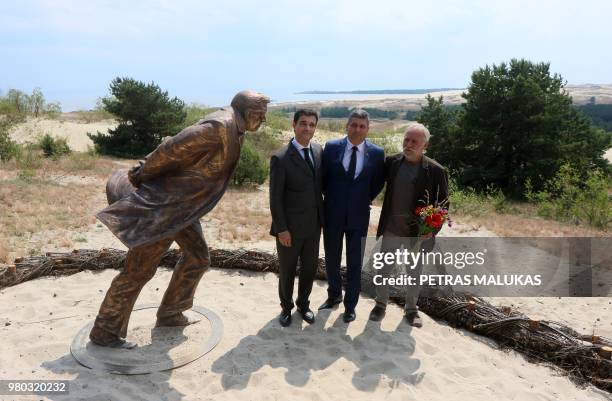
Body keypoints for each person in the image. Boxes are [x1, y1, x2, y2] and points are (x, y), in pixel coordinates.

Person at [89, 90, 270, 347]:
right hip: (160, 207)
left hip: (183, 208)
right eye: (259, 115)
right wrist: (142, 170)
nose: (262, 121)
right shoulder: (219, 126)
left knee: (198, 258)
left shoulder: (236, 129)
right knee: (139, 269)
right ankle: (105, 329)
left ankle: (170, 313)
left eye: (264, 116)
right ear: (246, 111)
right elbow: (172, 148)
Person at [369, 123, 449, 327]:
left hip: (417, 234)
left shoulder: (436, 170)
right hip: (392, 229)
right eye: (407, 139)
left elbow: (443, 204)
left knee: (414, 273)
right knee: (384, 270)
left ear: (425, 145)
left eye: (415, 141)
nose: (409, 144)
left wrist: (431, 231)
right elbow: (374, 183)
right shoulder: (392, 162)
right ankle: (380, 305)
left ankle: (411, 310)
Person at [319, 109, 385, 323]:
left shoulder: (377, 153)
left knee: (355, 262)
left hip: (359, 216)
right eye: (354, 125)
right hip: (333, 213)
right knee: (332, 259)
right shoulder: (331, 148)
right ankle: (334, 295)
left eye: (362, 126)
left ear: (368, 129)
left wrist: (362, 199)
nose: (357, 129)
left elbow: (377, 183)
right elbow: (323, 179)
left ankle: (350, 306)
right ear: (347, 126)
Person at [269, 109, 324, 327]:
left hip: (313, 226)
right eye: (303, 123)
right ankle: (286, 307)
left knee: (310, 269)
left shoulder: (319, 151)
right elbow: (275, 199)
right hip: (289, 229)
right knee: (287, 270)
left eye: (311, 124)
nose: (307, 128)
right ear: (294, 124)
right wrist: (282, 228)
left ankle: (303, 305)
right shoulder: (281, 157)